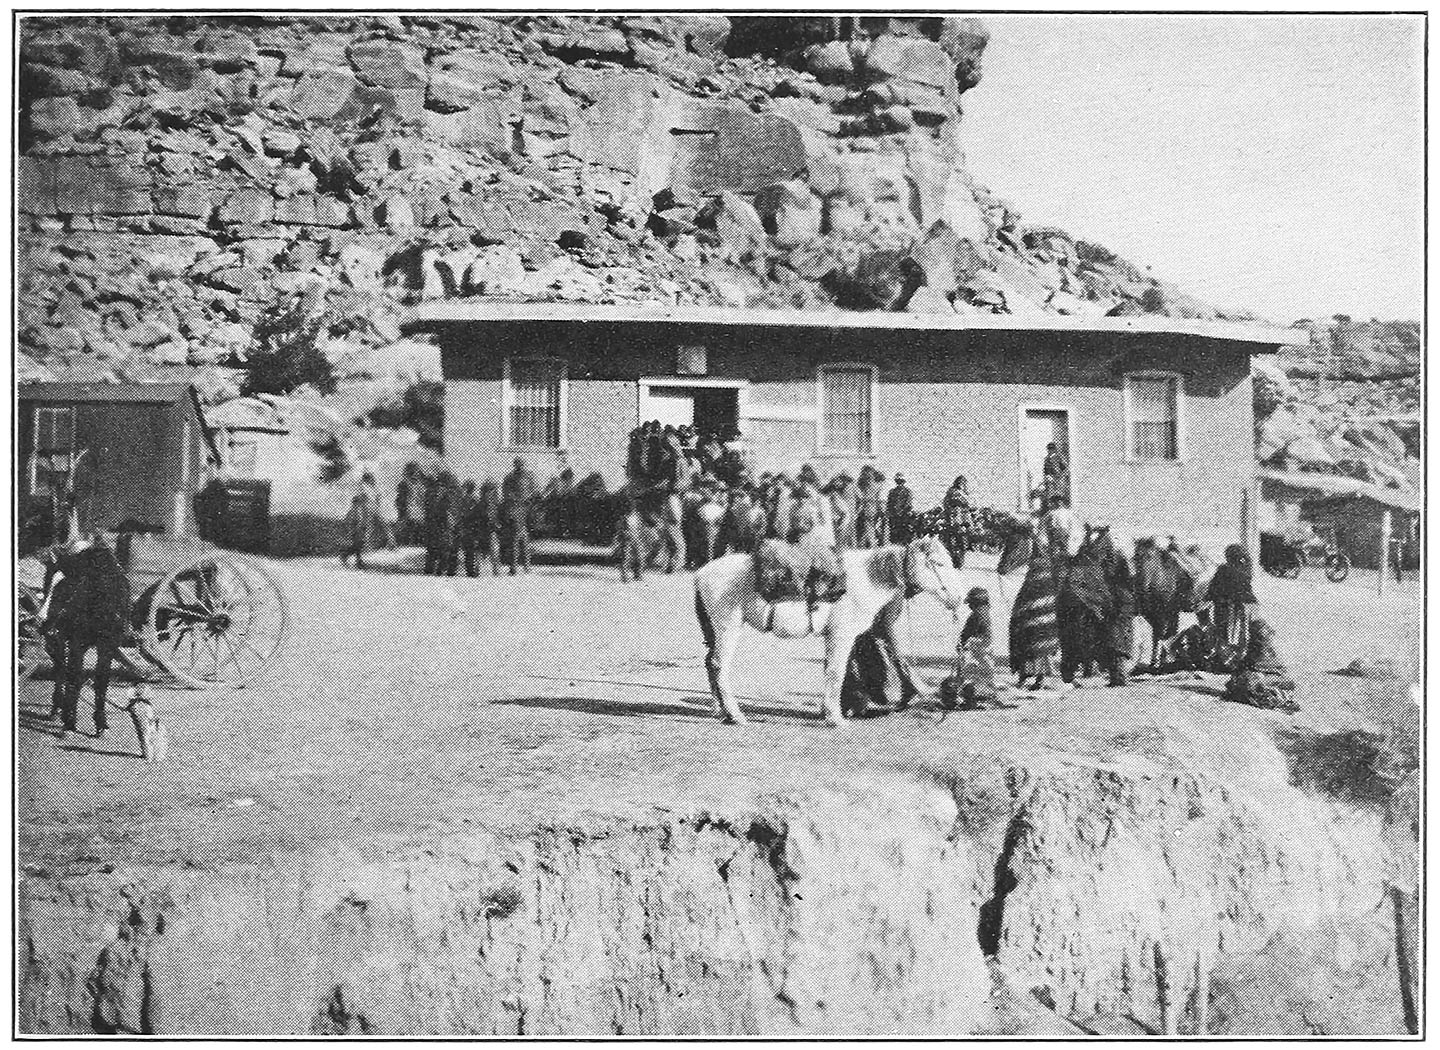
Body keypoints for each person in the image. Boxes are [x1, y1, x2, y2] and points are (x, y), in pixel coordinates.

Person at [1010, 525, 1061, 690]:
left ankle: (1036, 677)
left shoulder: (1040, 557)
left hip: (1038, 602)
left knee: (1033, 635)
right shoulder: (1045, 555)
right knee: (1033, 635)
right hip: (1040, 601)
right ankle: (1030, 675)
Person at [1057, 535, 1111, 684]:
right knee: (1085, 638)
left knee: (1072, 641)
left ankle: (1075, 670)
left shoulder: (1075, 567)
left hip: (1072, 610)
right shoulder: (1091, 568)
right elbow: (1101, 593)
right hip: (1081, 611)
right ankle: (1085, 667)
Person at [1205, 543, 1258, 668]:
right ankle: (1238, 658)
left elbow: (1214, 588)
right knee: (1241, 634)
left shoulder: (1224, 569)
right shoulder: (1246, 569)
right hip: (1242, 606)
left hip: (1224, 607)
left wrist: (1208, 598)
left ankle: (1224, 659)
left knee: (1223, 633)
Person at [945, 586, 998, 709]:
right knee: (983, 675)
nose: (969, 606)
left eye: (970, 603)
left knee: (968, 674)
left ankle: (970, 701)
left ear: (975, 603)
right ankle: (983, 698)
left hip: (974, 649)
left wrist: (961, 644)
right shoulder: (986, 613)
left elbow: (967, 633)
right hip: (985, 650)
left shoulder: (976, 615)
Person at [501, 457, 537, 575]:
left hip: (526, 509)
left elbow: (534, 490)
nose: (520, 467)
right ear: (515, 465)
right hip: (514, 510)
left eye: (522, 464)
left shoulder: (529, 477)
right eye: (518, 464)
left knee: (523, 539)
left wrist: (529, 501)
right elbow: (506, 493)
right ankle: (514, 567)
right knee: (516, 539)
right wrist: (514, 501)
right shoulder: (509, 478)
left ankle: (525, 566)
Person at [342, 471, 380, 570]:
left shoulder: (372, 489)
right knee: (359, 539)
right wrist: (360, 516)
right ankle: (355, 559)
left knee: (362, 540)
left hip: (367, 516)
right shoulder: (363, 488)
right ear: (367, 479)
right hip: (361, 516)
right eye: (371, 478)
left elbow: (374, 502)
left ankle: (349, 555)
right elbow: (358, 501)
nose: (373, 480)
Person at [941, 476, 973, 568]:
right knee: (953, 542)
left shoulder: (963, 494)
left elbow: (968, 505)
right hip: (953, 520)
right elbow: (947, 505)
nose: (961, 485)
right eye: (960, 483)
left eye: (963, 483)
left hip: (962, 521)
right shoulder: (952, 492)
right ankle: (955, 561)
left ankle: (958, 561)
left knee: (962, 543)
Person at [476, 479, 503, 576]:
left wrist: (497, 525)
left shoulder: (496, 505)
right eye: (487, 492)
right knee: (479, 551)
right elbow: (476, 518)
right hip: (481, 531)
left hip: (492, 531)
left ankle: (496, 571)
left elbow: (500, 517)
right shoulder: (479, 505)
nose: (489, 494)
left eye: (491, 491)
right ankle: (477, 570)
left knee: (494, 551)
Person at [855, 466, 887, 549]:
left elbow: (860, 498)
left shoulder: (862, 486)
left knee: (868, 526)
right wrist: (882, 509)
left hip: (866, 508)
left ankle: (869, 545)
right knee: (870, 526)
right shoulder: (876, 485)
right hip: (874, 507)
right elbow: (879, 498)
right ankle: (868, 544)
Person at [828, 473, 858, 552]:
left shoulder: (849, 487)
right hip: (844, 510)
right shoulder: (840, 490)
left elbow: (859, 498)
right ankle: (847, 547)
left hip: (847, 511)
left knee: (847, 529)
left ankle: (849, 547)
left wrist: (857, 510)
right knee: (846, 530)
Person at [886, 473, 914, 546]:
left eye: (901, 482)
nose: (899, 483)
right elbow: (889, 504)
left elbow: (908, 504)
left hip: (903, 516)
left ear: (903, 482)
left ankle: (904, 546)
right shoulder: (892, 492)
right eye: (898, 482)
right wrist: (890, 513)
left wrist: (903, 511)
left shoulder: (907, 491)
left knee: (904, 532)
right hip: (894, 516)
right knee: (894, 533)